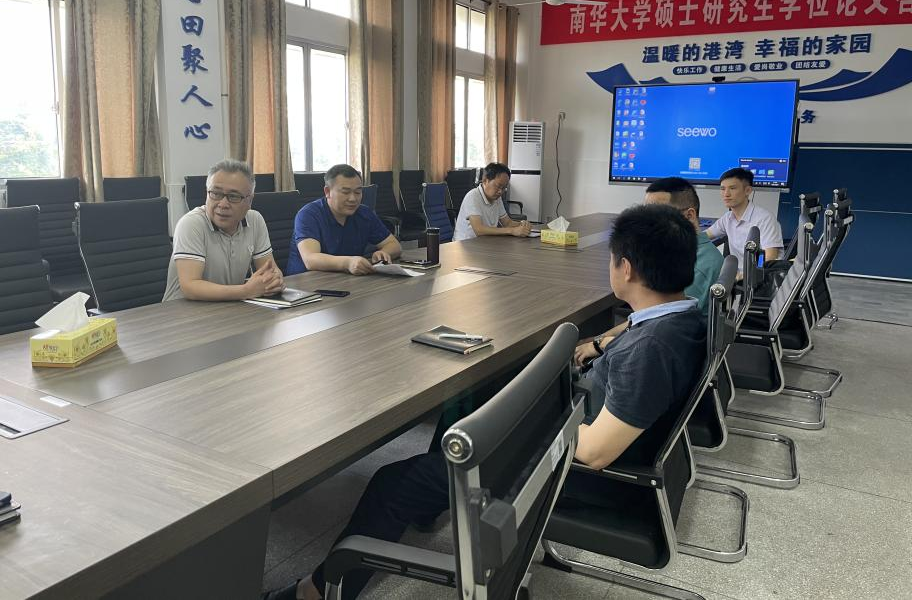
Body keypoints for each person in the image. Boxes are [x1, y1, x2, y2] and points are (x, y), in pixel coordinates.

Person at [263, 204, 707, 600]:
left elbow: (594, 452)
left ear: (625, 268)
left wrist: (525, 419)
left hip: (579, 480)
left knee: (393, 482)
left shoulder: (650, 350)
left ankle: (315, 592)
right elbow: (629, 351)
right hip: (589, 435)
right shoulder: (678, 316)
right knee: (476, 394)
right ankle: (437, 492)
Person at [574, 176, 723, 365]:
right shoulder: (686, 254)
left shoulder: (698, 267)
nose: (646, 220)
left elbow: (657, 322)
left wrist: (600, 342)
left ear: (689, 215)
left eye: (656, 212)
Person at [162, 159, 284, 302]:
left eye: (233, 196)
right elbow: (190, 286)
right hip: (181, 311)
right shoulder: (191, 224)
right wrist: (246, 291)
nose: (223, 204)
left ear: (249, 200)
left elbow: (269, 270)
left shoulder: (255, 220)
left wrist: (274, 280)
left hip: (229, 305)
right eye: (216, 193)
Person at [286, 164, 402, 276]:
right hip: (306, 283)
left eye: (358, 192)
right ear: (327, 192)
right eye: (345, 192)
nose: (353, 199)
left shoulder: (364, 214)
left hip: (346, 280)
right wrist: (348, 263)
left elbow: (394, 245)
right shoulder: (308, 215)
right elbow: (310, 259)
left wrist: (383, 253)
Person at [705, 167, 783, 270]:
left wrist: (744, 275)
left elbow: (769, 259)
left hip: (760, 275)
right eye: (723, 189)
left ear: (748, 190)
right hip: (737, 274)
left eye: (732, 188)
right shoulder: (728, 218)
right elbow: (704, 236)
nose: (726, 194)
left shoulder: (765, 219)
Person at [452, 162, 531, 241]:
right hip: (465, 244)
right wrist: (512, 231)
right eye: (498, 186)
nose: (500, 191)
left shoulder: (497, 198)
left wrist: (522, 224)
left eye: (504, 188)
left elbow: (507, 223)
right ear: (485, 181)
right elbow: (479, 230)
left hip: (485, 242)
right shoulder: (473, 196)